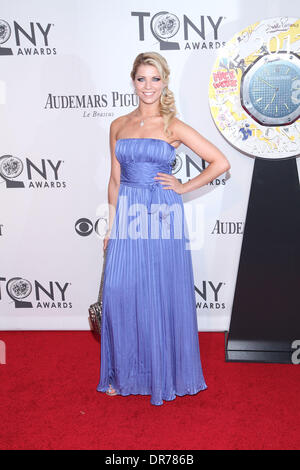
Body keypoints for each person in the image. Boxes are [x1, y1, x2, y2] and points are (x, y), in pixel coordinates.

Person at [96, 52, 230, 406]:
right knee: (120, 292)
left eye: (155, 79)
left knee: (158, 292)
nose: (148, 86)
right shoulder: (119, 125)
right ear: (133, 81)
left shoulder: (173, 125)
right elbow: (114, 180)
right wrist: (111, 224)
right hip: (128, 215)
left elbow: (220, 161)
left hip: (161, 215)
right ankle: (124, 373)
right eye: (142, 79)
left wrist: (184, 186)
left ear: (164, 82)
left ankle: (161, 374)